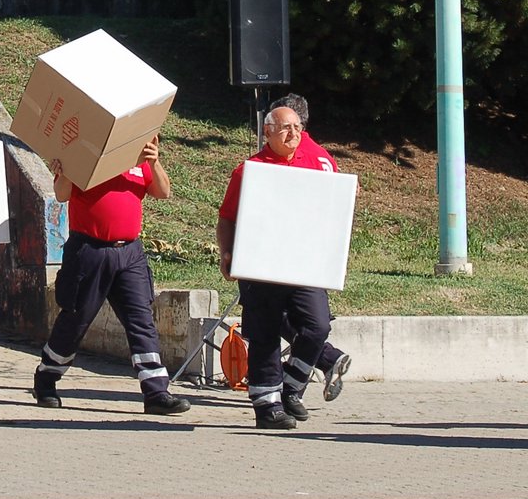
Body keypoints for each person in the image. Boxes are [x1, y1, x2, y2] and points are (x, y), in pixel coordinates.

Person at [34, 135, 190, 415]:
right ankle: (46, 377)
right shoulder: (84, 151)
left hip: (130, 253)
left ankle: (156, 391)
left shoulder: (139, 155)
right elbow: (61, 194)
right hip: (89, 251)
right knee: (75, 321)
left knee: (141, 320)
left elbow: (163, 191)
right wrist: (65, 169)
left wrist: (154, 162)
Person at [216, 106, 349, 429]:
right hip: (260, 266)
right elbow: (227, 217)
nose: (293, 134)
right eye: (285, 128)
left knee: (317, 325)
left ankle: (291, 386)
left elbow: (332, 209)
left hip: (305, 264)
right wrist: (227, 253)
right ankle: (267, 406)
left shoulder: (315, 163)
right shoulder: (250, 169)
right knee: (264, 335)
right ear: (267, 132)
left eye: (297, 127)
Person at [264, 93, 353, 401]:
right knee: (309, 320)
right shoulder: (326, 157)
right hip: (317, 253)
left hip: (285, 254)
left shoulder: (299, 157)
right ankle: (324, 360)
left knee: (275, 315)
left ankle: (320, 361)